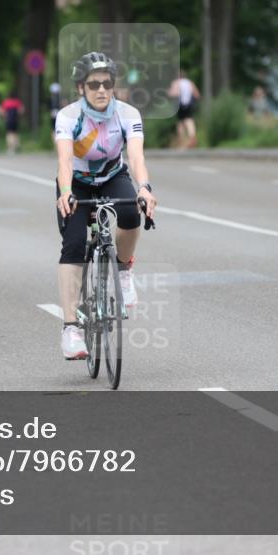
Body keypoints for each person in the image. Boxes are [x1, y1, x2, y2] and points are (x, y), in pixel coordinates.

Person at [55, 52, 157, 360]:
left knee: (130, 211)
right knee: (73, 246)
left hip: (113, 175)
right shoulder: (69, 116)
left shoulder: (127, 114)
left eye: (107, 83)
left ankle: (123, 271)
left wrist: (144, 188)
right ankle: (71, 328)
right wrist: (65, 192)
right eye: (93, 84)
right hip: (77, 182)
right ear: (80, 88)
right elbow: (64, 161)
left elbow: (136, 157)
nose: (101, 90)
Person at [168, 70, 200, 149]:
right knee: (189, 119)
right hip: (189, 104)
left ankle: (181, 140)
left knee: (180, 122)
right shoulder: (190, 83)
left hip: (180, 104)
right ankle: (192, 135)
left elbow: (173, 93)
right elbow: (197, 95)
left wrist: (168, 92)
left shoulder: (176, 83)